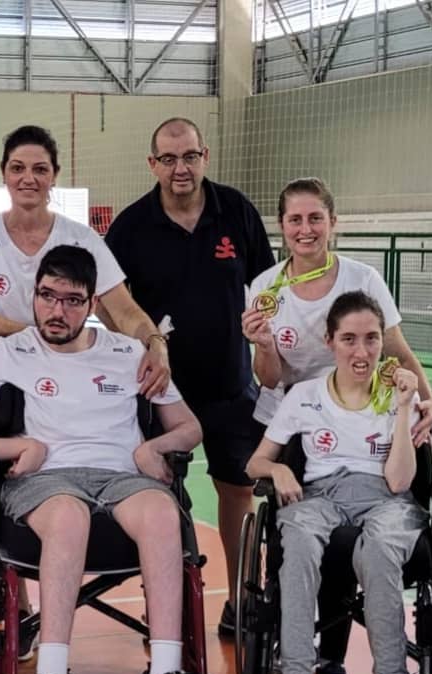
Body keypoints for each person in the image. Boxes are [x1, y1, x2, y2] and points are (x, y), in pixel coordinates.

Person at [0, 246, 207, 674]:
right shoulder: (10, 351)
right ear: (34, 297)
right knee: (69, 517)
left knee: (161, 513)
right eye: (47, 297)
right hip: (47, 482)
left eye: (71, 300)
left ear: (91, 306)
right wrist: (18, 446)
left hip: (121, 477)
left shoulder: (130, 353)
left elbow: (189, 427)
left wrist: (159, 448)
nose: (57, 310)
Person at [241, 176, 432, 674]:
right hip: (303, 416)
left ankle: (345, 672)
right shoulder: (265, 288)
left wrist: (425, 399)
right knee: (306, 533)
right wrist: (262, 343)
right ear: (281, 227)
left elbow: (394, 345)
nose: (305, 229)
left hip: (372, 412)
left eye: (315, 218)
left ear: (332, 222)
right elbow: (269, 376)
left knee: (371, 540)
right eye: (294, 219)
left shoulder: (362, 279)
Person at [104, 117, 275, 638]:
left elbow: (266, 286)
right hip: (160, 393)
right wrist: (140, 341)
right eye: (169, 159)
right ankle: (166, 606)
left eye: (190, 156)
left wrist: (266, 331)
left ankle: (244, 598)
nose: (181, 168)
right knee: (158, 496)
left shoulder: (237, 212)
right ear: (153, 164)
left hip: (230, 386)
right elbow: (109, 304)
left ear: (205, 156)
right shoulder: (131, 226)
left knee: (237, 493)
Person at [246, 291, 427, 674]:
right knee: (301, 542)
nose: (361, 351)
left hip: (384, 496)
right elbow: (255, 462)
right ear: (330, 341)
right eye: (349, 339)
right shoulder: (305, 394)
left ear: (383, 342)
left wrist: (404, 409)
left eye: (370, 339)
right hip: (319, 495)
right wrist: (279, 471)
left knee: (380, 549)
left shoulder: (399, 396)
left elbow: (401, 482)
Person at [0, 124, 169, 400]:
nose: (28, 178)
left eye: (40, 169)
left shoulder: (82, 238)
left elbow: (123, 312)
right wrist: (43, 336)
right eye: (18, 168)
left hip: (58, 384)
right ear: (4, 173)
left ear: (54, 175)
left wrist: (155, 343)